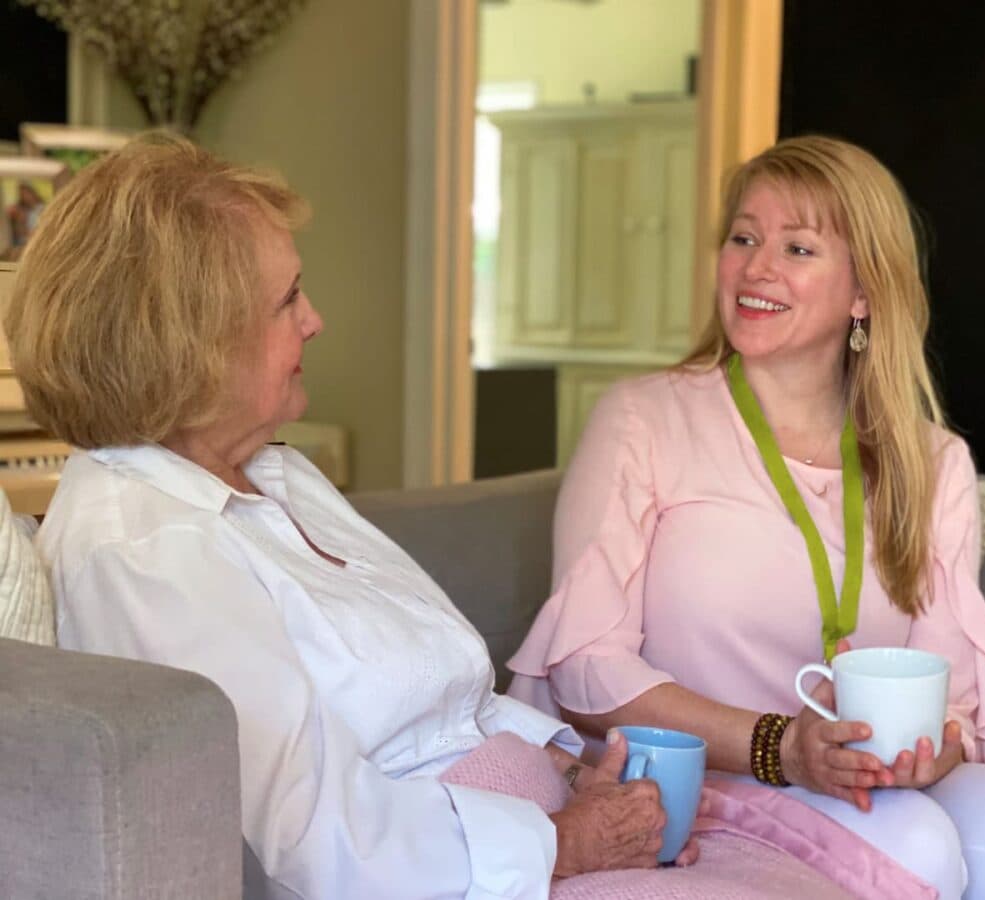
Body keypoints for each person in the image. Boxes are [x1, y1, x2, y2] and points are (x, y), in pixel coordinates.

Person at [3, 133, 695, 900]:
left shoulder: (274, 470)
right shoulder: (144, 550)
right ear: (194, 350)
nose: (316, 321)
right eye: (287, 300)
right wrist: (565, 843)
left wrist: (571, 766)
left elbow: (447, 702)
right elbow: (307, 838)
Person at [508, 135, 985, 899]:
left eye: (798, 248)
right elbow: (585, 668)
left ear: (864, 295)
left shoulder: (935, 465)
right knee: (925, 850)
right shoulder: (643, 418)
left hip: (843, 784)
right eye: (743, 237)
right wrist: (781, 748)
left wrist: (930, 751)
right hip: (675, 780)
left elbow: (956, 699)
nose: (757, 267)